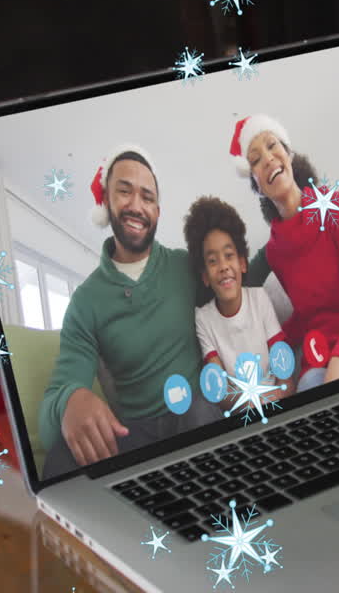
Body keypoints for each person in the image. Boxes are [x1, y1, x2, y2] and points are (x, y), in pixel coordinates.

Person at [39, 146, 222, 479]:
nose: (136, 206)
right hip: (134, 434)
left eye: (147, 197)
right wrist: (70, 402)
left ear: (157, 210)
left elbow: (237, 281)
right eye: (124, 192)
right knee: (62, 457)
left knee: (199, 410)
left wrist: (287, 225)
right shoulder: (85, 302)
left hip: (195, 414)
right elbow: (53, 405)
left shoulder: (185, 265)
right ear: (106, 202)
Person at [227, 115, 339, 393]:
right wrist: (271, 344)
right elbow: (308, 316)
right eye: (255, 159)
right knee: (310, 387)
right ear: (256, 185)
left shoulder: (336, 206)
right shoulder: (274, 251)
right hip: (315, 362)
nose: (268, 158)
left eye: (272, 146)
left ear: (288, 154)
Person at [183, 195, 291, 408]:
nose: (223, 266)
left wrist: (275, 400)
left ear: (242, 263)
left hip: (276, 403)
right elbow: (221, 391)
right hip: (241, 413)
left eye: (229, 255)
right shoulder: (203, 318)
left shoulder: (259, 299)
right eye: (213, 261)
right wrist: (253, 405)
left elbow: (285, 375)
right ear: (205, 276)